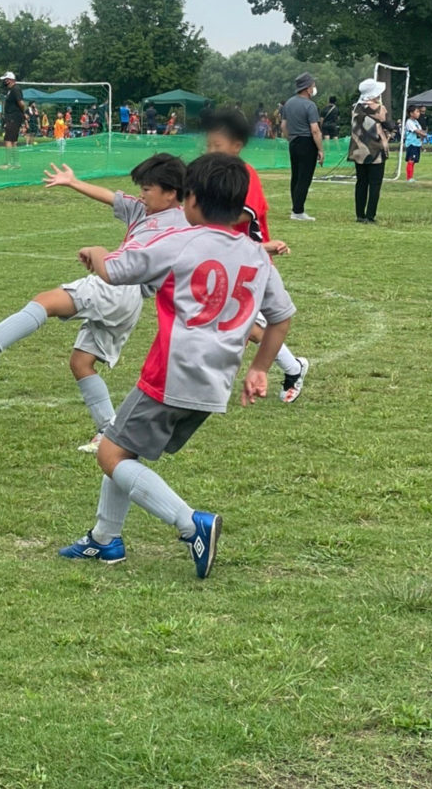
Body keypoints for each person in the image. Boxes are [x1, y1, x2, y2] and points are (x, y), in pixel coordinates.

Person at [56, 153, 295, 577]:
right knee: (124, 445)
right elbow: (281, 317)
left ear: (192, 200)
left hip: (170, 374)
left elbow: (114, 272)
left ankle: (191, 523)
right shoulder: (256, 255)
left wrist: (95, 252)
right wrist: (259, 368)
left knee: (110, 454)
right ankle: (104, 539)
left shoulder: (182, 240)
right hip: (215, 383)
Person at [0, 154, 189, 455]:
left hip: (118, 287)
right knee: (81, 363)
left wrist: (98, 254)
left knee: (45, 301)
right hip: (130, 302)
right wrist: (73, 182)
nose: (141, 194)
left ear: (171, 193)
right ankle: (107, 431)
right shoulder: (143, 210)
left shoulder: (182, 225)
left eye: (147, 189)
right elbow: (111, 197)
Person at [205, 109, 309, 403]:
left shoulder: (244, 173)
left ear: (236, 146)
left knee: (257, 324)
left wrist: (206, 222)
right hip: (226, 260)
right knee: (243, 326)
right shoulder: (209, 174)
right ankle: (292, 368)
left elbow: (245, 213)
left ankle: (292, 368)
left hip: (253, 260)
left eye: (217, 145)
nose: (211, 150)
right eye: (209, 145)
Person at [348, 78, 393, 224]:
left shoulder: (355, 108)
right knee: (375, 184)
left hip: (358, 150)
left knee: (361, 182)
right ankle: (370, 215)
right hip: (375, 151)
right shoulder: (379, 108)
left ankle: (360, 214)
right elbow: (390, 125)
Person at [281, 72, 324, 221]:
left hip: (294, 142)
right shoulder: (310, 105)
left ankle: (295, 206)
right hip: (307, 142)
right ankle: (298, 211)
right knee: (304, 178)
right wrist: (320, 149)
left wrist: (290, 138)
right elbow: (315, 130)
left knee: (296, 176)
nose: (314, 88)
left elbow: (284, 126)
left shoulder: (288, 103)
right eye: (313, 86)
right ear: (307, 88)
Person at [0, 71, 26, 168]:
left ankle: (9, 163)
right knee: (13, 141)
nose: (4, 82)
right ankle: (16, 163)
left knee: (8, 139)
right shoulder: (10, 90)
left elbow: (21, 103)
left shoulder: (15, 89)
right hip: (11, 117)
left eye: (5, 80)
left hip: (13, 117)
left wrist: (22, 113)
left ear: (10, 80)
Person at [405, 106, 424, 182]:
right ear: (411, 113)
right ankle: (409, 178)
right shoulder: (409, 122)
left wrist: (421, 142)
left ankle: (411, 177)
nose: (418, 113)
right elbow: (416, 131)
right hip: (411, 143)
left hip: (417, 143)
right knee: (411, 160)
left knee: (414, 161)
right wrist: (424, 134)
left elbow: (420, 131)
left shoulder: (416, 122)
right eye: (417, 112)